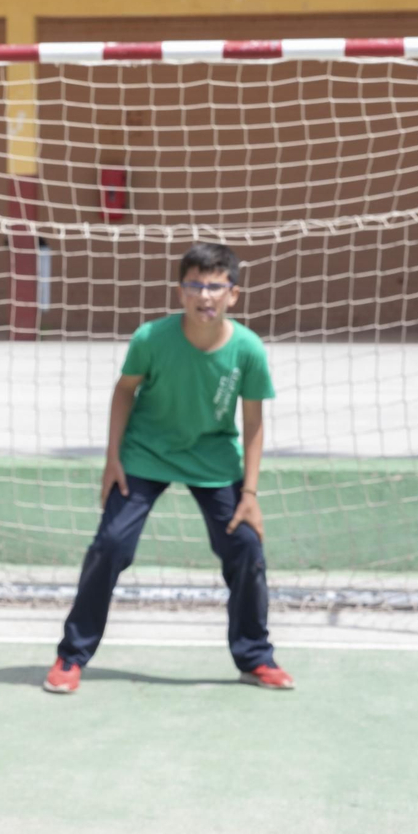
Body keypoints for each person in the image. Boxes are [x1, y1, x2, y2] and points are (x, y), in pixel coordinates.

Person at [43, 241, 293, 694]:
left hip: (214, 459)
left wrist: (250, 495)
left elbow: (254, 425)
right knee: (110, 546)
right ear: (180, 292)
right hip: (145, 454)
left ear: (233, 294)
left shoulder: (248, 350)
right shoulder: (151, 339)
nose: (205, 296)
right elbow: (124, 391)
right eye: (195, 286)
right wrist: (112, 459)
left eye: (215, 287)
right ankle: (71, 655)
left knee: (246, 550)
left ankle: (255, 656)